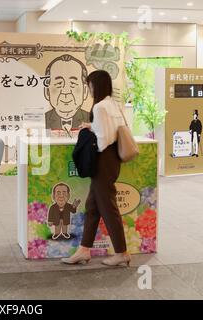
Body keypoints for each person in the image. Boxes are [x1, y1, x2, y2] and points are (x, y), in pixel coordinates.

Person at [61, 70, 131, 267]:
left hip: (103, 161)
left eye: (90, 85)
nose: (89, 89)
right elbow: (112, 130)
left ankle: (122, 252)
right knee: (93, 207)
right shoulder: (112, 104)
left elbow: (103, 141)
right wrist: (93, 126)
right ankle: (84, 250)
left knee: (108, 208)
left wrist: (89, 131)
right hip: (113, 160)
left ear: (96, 85)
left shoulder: (100, 107)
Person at [44, 54, 90, 131]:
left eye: (73, 83)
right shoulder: (43, 120)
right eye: (59, 83)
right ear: (47, 92)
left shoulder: (90, 119)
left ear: (85, 91)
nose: (66, 91)